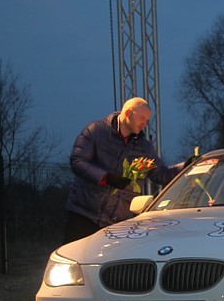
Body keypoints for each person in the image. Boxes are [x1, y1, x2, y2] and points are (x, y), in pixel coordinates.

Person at [63, 97, 185, 244]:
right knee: (75, 260)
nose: (145, 124)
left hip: (117, 224)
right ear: (128, 113)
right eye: (142, 118)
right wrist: (106, 178)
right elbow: (77, 161)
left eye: (147, 120)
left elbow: (161, 174)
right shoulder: (96, 131)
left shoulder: (144, 147)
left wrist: (186, 166)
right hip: (83, 214)